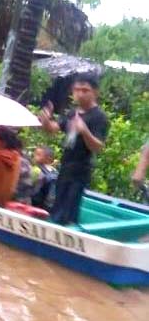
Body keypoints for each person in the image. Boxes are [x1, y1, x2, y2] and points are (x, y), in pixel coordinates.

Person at [38, 74, 109, 225]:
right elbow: (53, 129)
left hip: (80, 169)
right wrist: (45, 120)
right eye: (77, 90)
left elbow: (98, 147)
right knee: (58, 205)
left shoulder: (99, 117)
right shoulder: (72, 113)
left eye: (85, 90)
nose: (80, 94)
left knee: (69, 209)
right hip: (65, 166)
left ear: (95, 92)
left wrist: (84, 131)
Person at [31, 146, 58, 211]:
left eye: (38, 155)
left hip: (35, 204)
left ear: (48, 158)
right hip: (49, 206)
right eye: (34, 154)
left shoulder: (36, 170)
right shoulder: (56, 172)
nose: (34, 157)